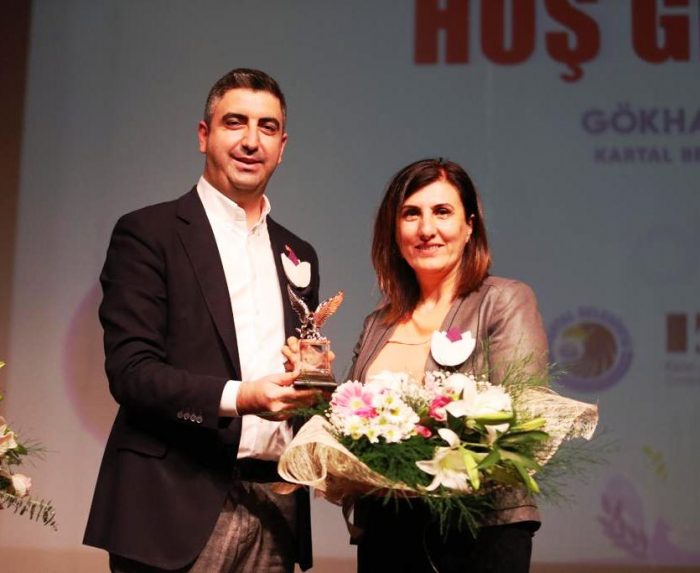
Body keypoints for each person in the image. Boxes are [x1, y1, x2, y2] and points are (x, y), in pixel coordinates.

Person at [83, 68, 322, 573]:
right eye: (235, 123)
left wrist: (311, 379)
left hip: (276, 505)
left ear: (282, 147)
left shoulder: (298, 253)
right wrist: (242, 397)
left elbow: (295, 371)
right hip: (172, 504)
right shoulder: (148, 233)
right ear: (203, 135)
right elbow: (131, 371)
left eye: (267, 127)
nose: (251, 141)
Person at [348, 158, 548, 572]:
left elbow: (520, 420)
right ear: (394, 229)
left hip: (478, 529)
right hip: (386, 529)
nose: (426, 229)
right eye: (411, 214)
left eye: (442, 212)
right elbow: (348, 423)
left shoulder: (503, 301)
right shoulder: (376, 324)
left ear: (469, 225)